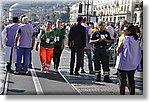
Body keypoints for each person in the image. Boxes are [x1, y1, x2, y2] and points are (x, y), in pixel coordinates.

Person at [115, 24, 142, 95]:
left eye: (125, 30)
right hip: (132, 63)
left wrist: (117, 48)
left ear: (129, 31)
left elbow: (118, 50)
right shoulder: (136, 39)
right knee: (131, 80)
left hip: (123, 63)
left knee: (122, 82)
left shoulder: (125, 38)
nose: (123, 31)